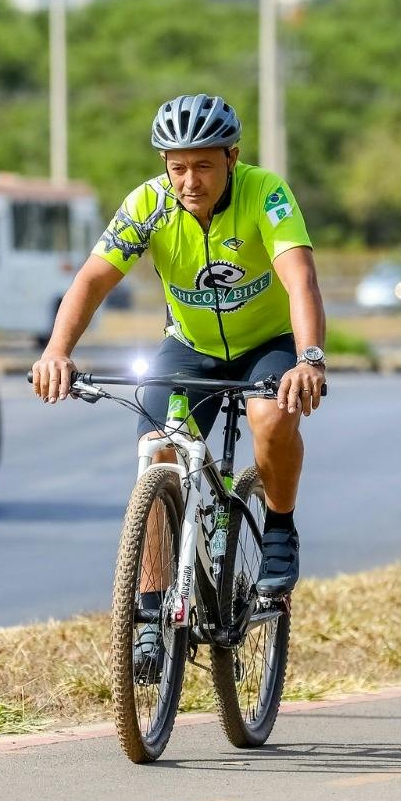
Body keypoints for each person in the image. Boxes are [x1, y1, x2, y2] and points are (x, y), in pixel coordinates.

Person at [32, 93, 328, 677]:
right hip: (189, 346)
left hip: (264, 345)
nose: (189, 180)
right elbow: (93, 279)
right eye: (177, 166)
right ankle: (148, 614)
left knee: (271, 416)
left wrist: (309, 359)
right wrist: (57, 351)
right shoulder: (148, 203)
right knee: (157, 455)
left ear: (232, 158)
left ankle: (278, 526)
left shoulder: (266, 193)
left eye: (204, 166)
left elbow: (300, 278)